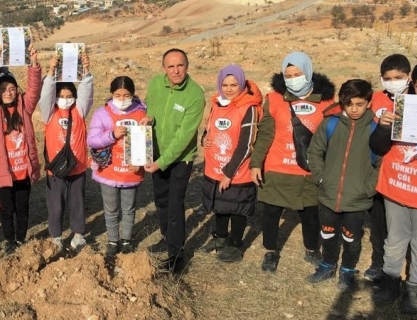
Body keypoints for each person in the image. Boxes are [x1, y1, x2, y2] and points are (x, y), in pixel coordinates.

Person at [250, 51, 336, 273]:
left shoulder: (326, 101)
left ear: (308, 72)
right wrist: (256, 163)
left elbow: (331, 136)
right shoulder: (275, 99)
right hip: (277, 168)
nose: (292, 79)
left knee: (310, 214)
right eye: (288, 75)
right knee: (270, 214)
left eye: (297, 74)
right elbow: (265, 133)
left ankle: (311, 249)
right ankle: (270, 251)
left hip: (308, 170)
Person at [370, 60, 417, 314]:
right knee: (395, 241)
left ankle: (413, 288)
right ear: (413, 84)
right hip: (396, 188)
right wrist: (383, 127)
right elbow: (378, 147)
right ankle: (390, 283)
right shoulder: (402, 108)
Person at [306, 79, 378, 290]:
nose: (354, 109)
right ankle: (327, 265)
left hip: (357, 198)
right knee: (327, 233)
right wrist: (320, 178)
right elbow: (314, 151)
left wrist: (369, 188)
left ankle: (347, 270)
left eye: (360, 104)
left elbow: (383, 163)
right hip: (328, 194)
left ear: (369, 103)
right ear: (342, 103)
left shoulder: (375, 128)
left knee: (351, 238)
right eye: (349, 104)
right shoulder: (331, 123)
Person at [142, 48, 205, 272]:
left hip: (180, 158)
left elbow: (184, 137)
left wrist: (162, 162)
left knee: (175, 204)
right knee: (161, 200)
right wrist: (146, 118)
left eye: (180, 65)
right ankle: (168, 238)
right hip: (157, 153)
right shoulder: (155, 84)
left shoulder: (195, 95)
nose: (176, 70)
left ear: (187, 66)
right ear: (164, 68)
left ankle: (177, 256)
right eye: (171, 66)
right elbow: (148, 108)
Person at [200, 64, 263, 263]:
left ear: (242, 84)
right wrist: (204, 138)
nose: (229, 89)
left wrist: (229, 172)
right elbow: (209, 128)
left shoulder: (249, 108)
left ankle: (235, 244)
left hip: (237, 170)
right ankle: (220, 238)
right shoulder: (217, 104)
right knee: (220, 205)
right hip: (214, 167)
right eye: (225, 84)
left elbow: (247, 145)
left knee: (237, 208)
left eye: (234, 84)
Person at [0, 45, 42, 255]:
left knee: (23, 208)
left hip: (23, 171)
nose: (8, 93)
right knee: (7, 210)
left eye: (12, 89)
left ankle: (20, 238)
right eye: (3, 90)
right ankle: (9, 241)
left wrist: (33, 62)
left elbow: (34, 90)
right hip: (3, 173)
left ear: (17, 91)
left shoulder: (24, 108)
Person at [363, 53, 412, 282]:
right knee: (378, 221)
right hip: (379, 171)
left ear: (409, 76)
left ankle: (408, 265)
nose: (393, 82)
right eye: (388, 78)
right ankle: (378, 262)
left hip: (409, 173)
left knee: (405, 225)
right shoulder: (375, 100)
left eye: (398, 77)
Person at [39, 53, 93, 252]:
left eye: (69, 96)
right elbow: (45, 95)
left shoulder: (79, 111)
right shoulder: (49, 112)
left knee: (78, 204)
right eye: (61, 96)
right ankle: (55, 237)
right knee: (56, 206)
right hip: (56, 170)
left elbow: (87, 93)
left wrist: (86, 71)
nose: (65, 99)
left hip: (77, 168)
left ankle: (78, 235)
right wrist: (51, 71)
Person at [88, 76, 146, 255]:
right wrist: (112, 135)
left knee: (129, 209)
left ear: (132, 94)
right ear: (112, 94)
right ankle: (113, 241)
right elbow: (92, 140)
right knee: (111, 209)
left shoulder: (141, 113)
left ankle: (127, 240)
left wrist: (141, 161)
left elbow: (148, 142)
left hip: (131, 172)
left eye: (126, 95)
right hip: (109, 172)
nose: (122, 99)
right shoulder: (102, 113)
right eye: (118, 95)